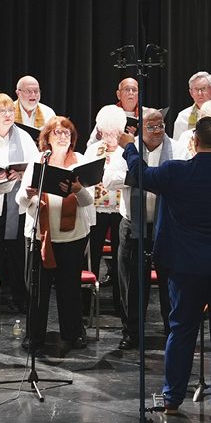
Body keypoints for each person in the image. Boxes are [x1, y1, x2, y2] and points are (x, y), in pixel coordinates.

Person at [122, 116, 211, 417]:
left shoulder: (175, 172)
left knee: (181, 329)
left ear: (195, 141)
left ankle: (172, 398)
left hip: (186, 266)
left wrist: (130, 148)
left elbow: (140, 174)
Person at [17, 116, 96, 355]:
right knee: (37, 289)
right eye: (57, 132)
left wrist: (78, 189)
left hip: (72, 237)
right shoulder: (38, 161)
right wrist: (30, 194)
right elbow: (20, 200)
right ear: (47, 138)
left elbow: (88, 201)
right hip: (40, 237)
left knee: (69, 289)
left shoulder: (80, 161)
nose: (63, 136)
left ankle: (73, 333)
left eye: (66, 133)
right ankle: (34, 335)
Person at [104, 108, 176, 349]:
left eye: (160, 126)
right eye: (151, 127)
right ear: (140, 129)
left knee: (170, 283)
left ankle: (172, 332)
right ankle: (132, 333)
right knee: (132, 284)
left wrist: (148, 176)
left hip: (166, 226)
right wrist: (139, 176)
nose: (157, 131)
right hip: (133, 225)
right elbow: (108, 180)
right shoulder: (128, 148)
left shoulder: (176, 148)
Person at [0, 93, 36, 313]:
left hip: (16, 203)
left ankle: (18, 296)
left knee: (16, 252)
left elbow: (34, 166)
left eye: (10, 110)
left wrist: (20, 175)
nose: (7, 115)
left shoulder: (24, 138)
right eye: (2, 111)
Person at [86, 107, 129, 295]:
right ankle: (89, 299)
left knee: (120, 257)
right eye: (106, 133)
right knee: (92, 254)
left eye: (114, 133)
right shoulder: (93, 150)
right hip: (96, 210)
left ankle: (121, 301)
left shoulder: (127, 151)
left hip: (120, 210)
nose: (110, 137)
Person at [88, 77, 141, 149]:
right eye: (127, 89)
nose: (131, 93)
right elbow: (90, 145)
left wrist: (137, 137)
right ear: (118, 94)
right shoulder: (108, 112)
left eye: (134, 90)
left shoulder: (146, 114)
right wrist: (98, 137)